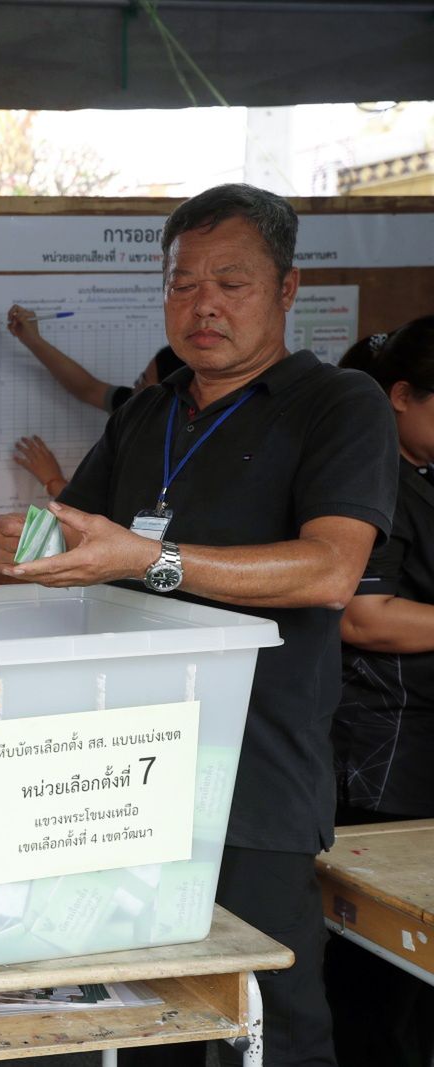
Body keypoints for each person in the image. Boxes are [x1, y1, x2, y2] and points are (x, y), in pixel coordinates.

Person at [0, 184, 399, 1067]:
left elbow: (330, 570)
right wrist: (21, 537)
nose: (203, 303)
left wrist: (151, 560)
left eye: (232, 282)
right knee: (144, 1018)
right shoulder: (150, 409)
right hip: (123, 777)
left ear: (287, 289)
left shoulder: (338, 402)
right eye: (182, 283)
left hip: (256, 776)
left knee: (271, 1016)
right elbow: (72, 527)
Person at [325, 316, 434, 1067]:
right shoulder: (374, 480)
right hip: (386, 764)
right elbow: (364, 618)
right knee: (379, 990)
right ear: (402, 397)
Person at [6, 305, 186, 497]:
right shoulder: (138, 406)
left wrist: (53, 481)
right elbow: (87, 388)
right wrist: (33, 340)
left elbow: (100, 518)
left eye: (143, 382)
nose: (135, 389)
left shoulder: (170, 455)